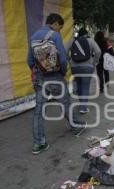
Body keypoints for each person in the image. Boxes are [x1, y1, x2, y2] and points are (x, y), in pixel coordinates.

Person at [27, 13, 87, 155]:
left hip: (40, 79)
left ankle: (39, 143)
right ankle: (76, 126)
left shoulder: (33, 37)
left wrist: (39, 71)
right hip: (55, 76)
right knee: (65, 103)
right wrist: (62, 72)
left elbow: (29, 60)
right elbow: (63, 58)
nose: (59, 30)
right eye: (59, 27)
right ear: (54, 23)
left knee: (39, 110)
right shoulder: (54, 35)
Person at [66, 28, 101, 114]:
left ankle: (81, 103)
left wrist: (69, 60)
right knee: (85, 86)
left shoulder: (72, 41)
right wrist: (94, 62)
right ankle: (83, 107)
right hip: (87, 66)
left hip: (75, 67)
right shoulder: (90, 40)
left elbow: (64, 50)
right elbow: (98, 51)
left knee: (79, 85)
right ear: (86, 34)